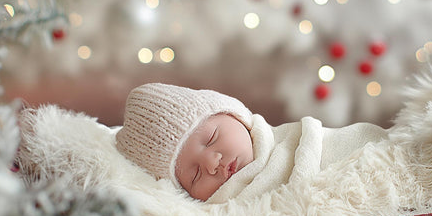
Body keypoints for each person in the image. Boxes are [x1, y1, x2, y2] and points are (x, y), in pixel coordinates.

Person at [115, 82, 386, 202]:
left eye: (211, 139)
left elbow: (348, 143)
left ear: (235, 115)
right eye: (195, 175)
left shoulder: (287, 140)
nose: (212, 163)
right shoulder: (222, 210)